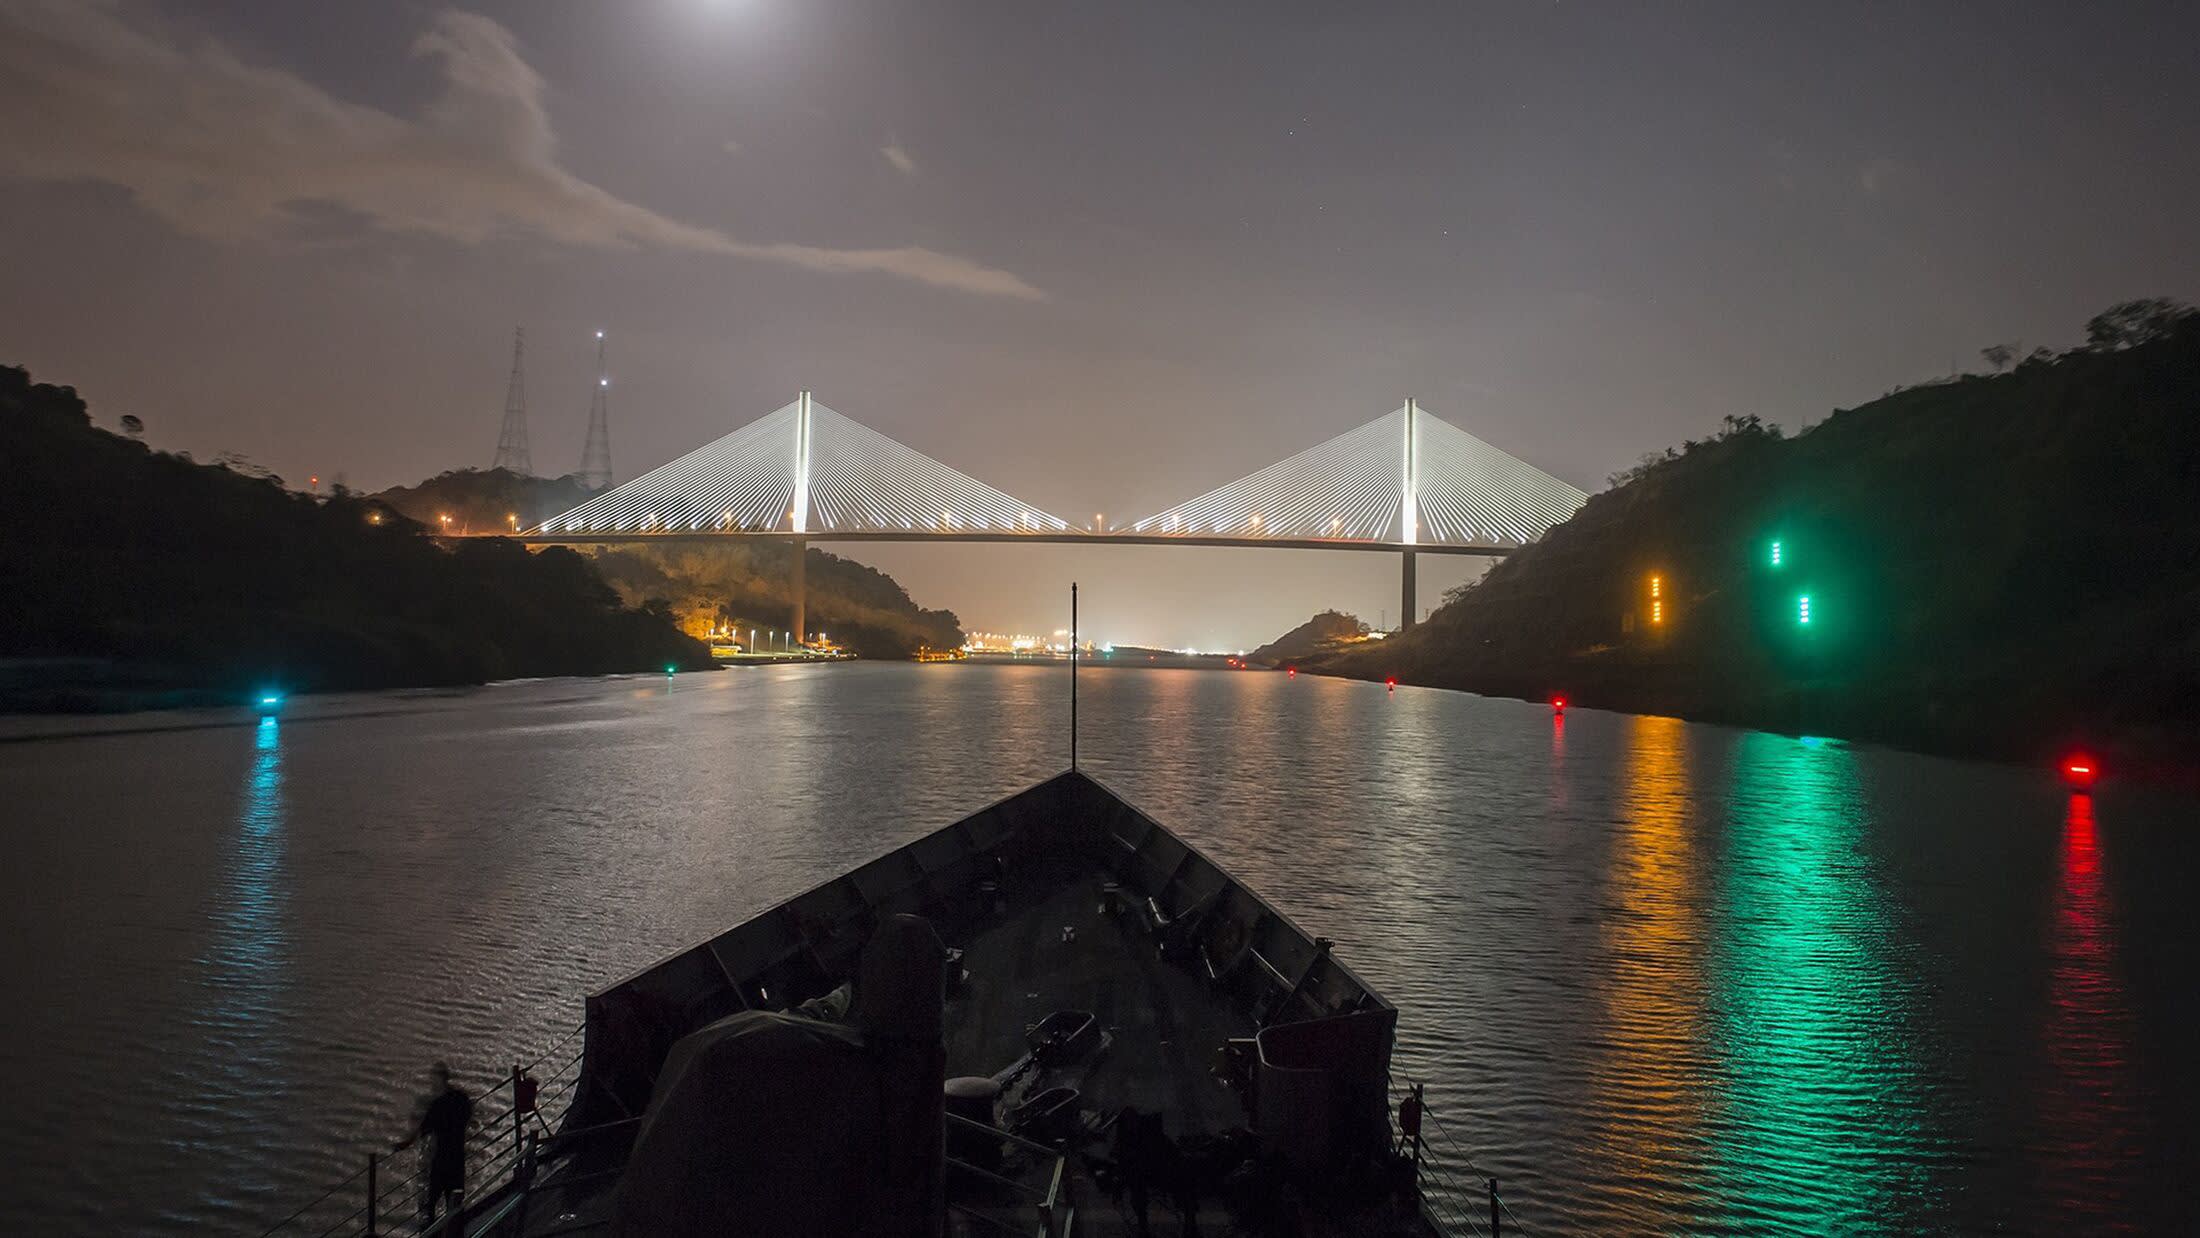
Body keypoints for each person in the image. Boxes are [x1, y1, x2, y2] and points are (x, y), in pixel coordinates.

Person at [395, 1062, 473, 1228]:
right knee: (455, 1199)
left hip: (442, 1158)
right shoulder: (461, 1098)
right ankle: (456, 1231)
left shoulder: (437, 1105)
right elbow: (469, 1116)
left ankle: (431, 1231)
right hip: (458, 1157)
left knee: (430, 1202)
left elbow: (421, 1130)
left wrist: (402, 1145)